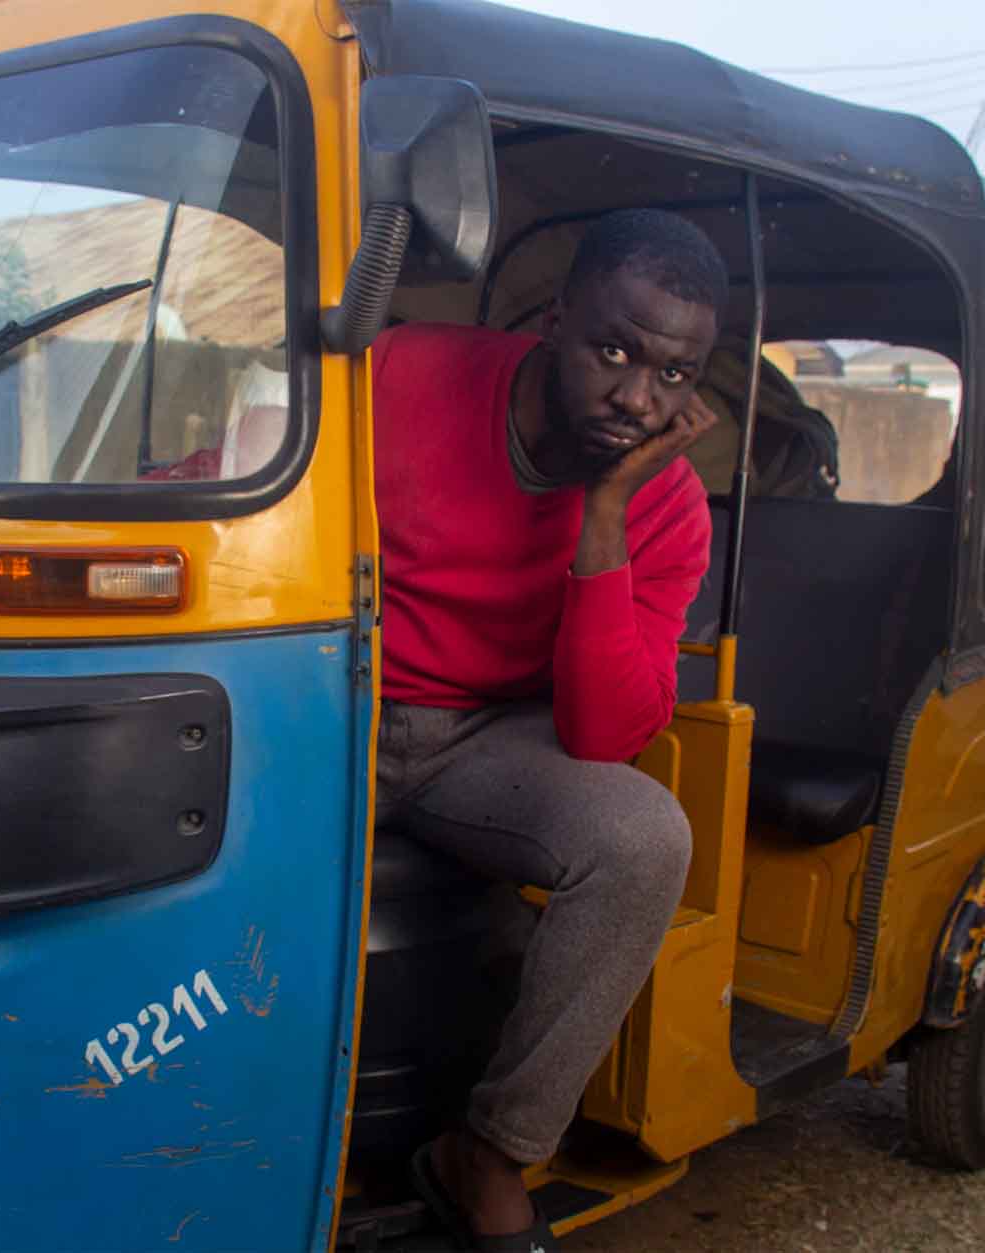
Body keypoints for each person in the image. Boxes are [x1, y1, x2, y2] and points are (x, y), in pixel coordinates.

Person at [372, 208, 724, 1248]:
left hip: (483, 741)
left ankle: (487, 1149)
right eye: (613, 351)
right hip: (328, 704)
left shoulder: (668, 506)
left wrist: (605, 510)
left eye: (673, 373)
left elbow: (603, 729)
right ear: (552, 319)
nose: (635, 396)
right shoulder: (402, 374)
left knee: (641, 835)